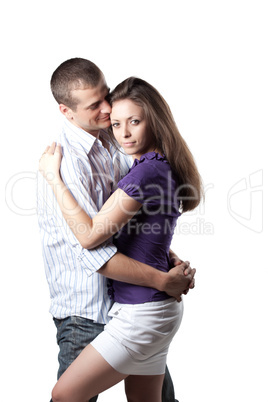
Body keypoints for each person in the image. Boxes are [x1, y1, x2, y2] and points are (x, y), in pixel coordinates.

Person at [37, 58, 196, 402]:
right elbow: (95, 246)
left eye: (106, 97)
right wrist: (162, 272)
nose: (109, 112)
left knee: (65, 397)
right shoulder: (71, 161)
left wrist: (165, 266)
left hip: (138, 309)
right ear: (66, 111)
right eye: (96, 105)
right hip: (89, 311)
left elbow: (100, 233)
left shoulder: (122, 150)